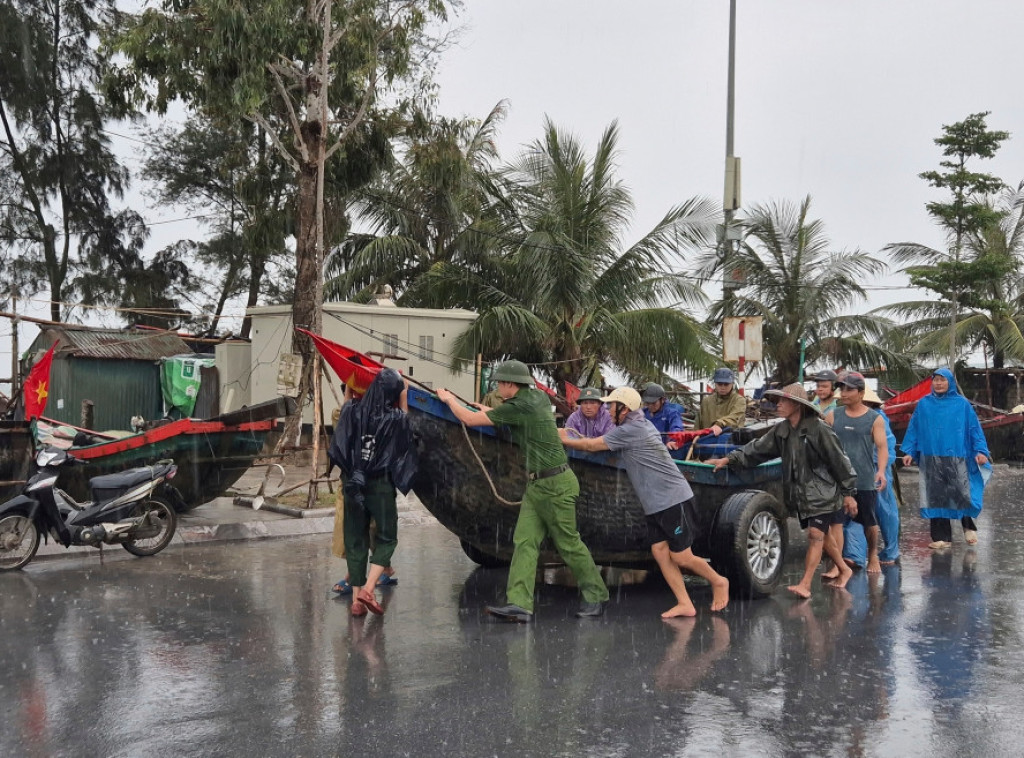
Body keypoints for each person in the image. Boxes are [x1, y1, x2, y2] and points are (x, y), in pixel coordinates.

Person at [436, 360, 609, 622]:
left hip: (555, 485)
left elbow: (471, 420)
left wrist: (448, 399)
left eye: (499, 384)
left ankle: (596, 595)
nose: (498, 388)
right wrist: (481, 408)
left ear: (510, 385)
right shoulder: (536, 398)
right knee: (525, 542)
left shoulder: (520, 406)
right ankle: (520, 604)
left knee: (568, 543)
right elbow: (496, 415)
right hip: (538, 485)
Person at [558, 386, 730, 618]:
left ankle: (719, 581)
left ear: (624, 409)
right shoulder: (637, 424)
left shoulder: (632, 429)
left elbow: (591, 445)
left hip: (672, 499)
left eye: (611, 406)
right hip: (655, 504)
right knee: (659, 551)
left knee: (681, 556)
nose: (607, 410)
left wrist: (564, 439)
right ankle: (685, 603)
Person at [707, 383, 858, 598]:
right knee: (821, 537)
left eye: (783, 401)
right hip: (801, 494)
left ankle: (805, 584)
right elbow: (757, 449)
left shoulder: (819, 429)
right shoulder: (782, 430)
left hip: (823, 491)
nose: (778, 405)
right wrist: (730, 459)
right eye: (778, 401)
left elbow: (840, 461)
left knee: (815, 535)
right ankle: (844, 569)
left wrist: (849, 492)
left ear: (797, 405)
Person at [328, 369, 417, 617]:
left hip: (352, 485)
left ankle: (357, 600)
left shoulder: (351, 411)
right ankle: (368, 588)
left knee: (355, 539)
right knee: (387, 536)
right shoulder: (395, 418)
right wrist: (404, 393)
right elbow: (405, 422)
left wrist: (349, 387)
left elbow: (344, 415)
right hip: (379, 485)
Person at [901, 367, 991, 549]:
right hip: (931, 456)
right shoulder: (924, 404)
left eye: (942, 380)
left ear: (950, 382)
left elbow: (974, 429)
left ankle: (967, 524)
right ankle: (941, 538)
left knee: (959, 493)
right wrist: (909, 450)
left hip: (957, 456)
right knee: (935, 496)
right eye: (936, 380)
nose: (939, 383)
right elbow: (914, 428)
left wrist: (981, 451)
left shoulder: (962, 404)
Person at [822, 371, 887, 576]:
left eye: (849, 389)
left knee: (869, 522)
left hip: (864, 478)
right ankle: (837, 564)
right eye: (842, 388)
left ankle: (873, 553)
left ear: (860, 393)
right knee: (836, 523)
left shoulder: (874, 418)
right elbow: (822, 442)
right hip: (838, 480)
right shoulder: (833, 415)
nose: (844, 393)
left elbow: (882, 447)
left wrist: (882, 471)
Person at [842, 386, 902, 568]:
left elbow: (886, 446)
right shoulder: (847, 416)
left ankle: (890, 551)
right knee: (857, 512)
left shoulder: (877, 417)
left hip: (875, 469)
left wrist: (878, 468)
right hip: (856, 470)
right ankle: (856, 554)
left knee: (882, 511)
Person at [697, 367, 747, 436]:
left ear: (732, 384)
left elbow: (735, 417)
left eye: (726, 384)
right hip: (706, 441)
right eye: (720, 384)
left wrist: (719, 424)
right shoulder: (706, 401)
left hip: (730, 441)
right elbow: (697, 425)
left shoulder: (739, 400)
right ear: (715, 384)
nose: (723, 387)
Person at [641, 382, 685, 458]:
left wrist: (673, 440)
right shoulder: (643, 413)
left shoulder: (671, 413)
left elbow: (677, 427)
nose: (650, 406)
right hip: (645, 450)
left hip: (664, 451)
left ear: (663, 400)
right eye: (648, 403)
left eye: (654, 403)